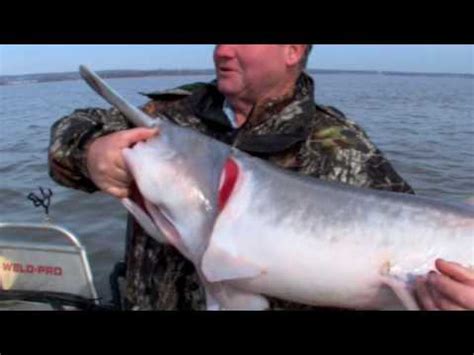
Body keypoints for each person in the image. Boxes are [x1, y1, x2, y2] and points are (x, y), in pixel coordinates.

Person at [48, 45, 472, 310]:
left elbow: (422, 240)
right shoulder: (172, 115)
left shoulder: (344, 145)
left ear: (292, 50)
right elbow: (71, 131)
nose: (221, 50)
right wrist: (89, 154)